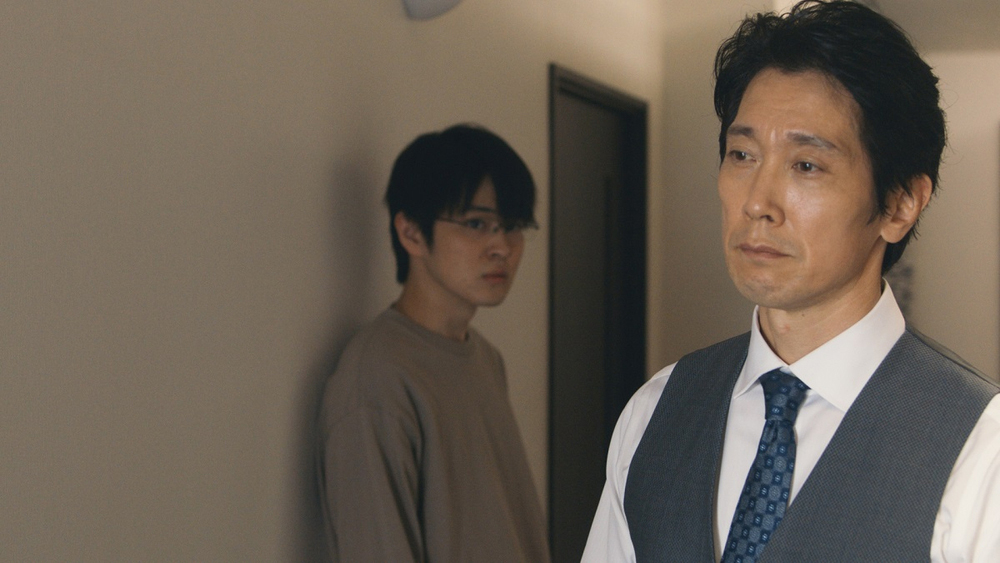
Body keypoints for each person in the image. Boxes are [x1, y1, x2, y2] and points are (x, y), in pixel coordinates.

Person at [582, 2, 1000, 562]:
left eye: (806, 165)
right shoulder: (655, 413)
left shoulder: (980, 448)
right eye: (742, 154)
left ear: (900, 203)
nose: (758, 202)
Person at [316, 124, 550, 562]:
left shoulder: (485, 358)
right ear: (411, 232)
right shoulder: (377, 381)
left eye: (513, 226)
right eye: (477, 224)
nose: (502, 246)